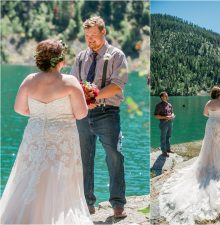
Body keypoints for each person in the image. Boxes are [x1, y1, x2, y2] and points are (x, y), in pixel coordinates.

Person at [0, 40, 93, 224]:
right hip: (62, 138)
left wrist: (38, 116)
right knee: (59, 176)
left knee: (29, 173)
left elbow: (19, 108)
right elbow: (81, 114)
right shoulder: (70, 82)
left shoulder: (29, 80)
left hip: (35, 136)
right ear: (60, 61)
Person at [159, 87, 220, 225]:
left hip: (210, 124)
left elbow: (205, 114)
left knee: (209, 145)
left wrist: (213, 114)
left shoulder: (208, 103)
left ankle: (209, 161)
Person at [71, 16, 128, 217]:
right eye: (87, 36)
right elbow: (73, 84)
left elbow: (116, 85)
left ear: (103, 32)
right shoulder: (80, 58)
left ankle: (118, 204)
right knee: (84, 159)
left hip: (108, 114)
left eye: (93, 36)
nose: (90, 40)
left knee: (114, 156)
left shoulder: (117, 55)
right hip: (83, 115)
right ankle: (87, 204)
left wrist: (93, 95)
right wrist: (80, 100)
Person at [154, 92, 175, 157]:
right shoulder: (159, 105)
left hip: (170, 122)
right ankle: (164, 152)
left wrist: (172, 116)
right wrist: (165, 117)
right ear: (162, 97)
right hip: (163, 123)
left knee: (168, 136)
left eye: (167, 95)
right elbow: (156, 116)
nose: (167, 97)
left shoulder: (169, 105)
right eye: (166, 96)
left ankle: (168, 149)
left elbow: (172, 113)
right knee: (163, 137)